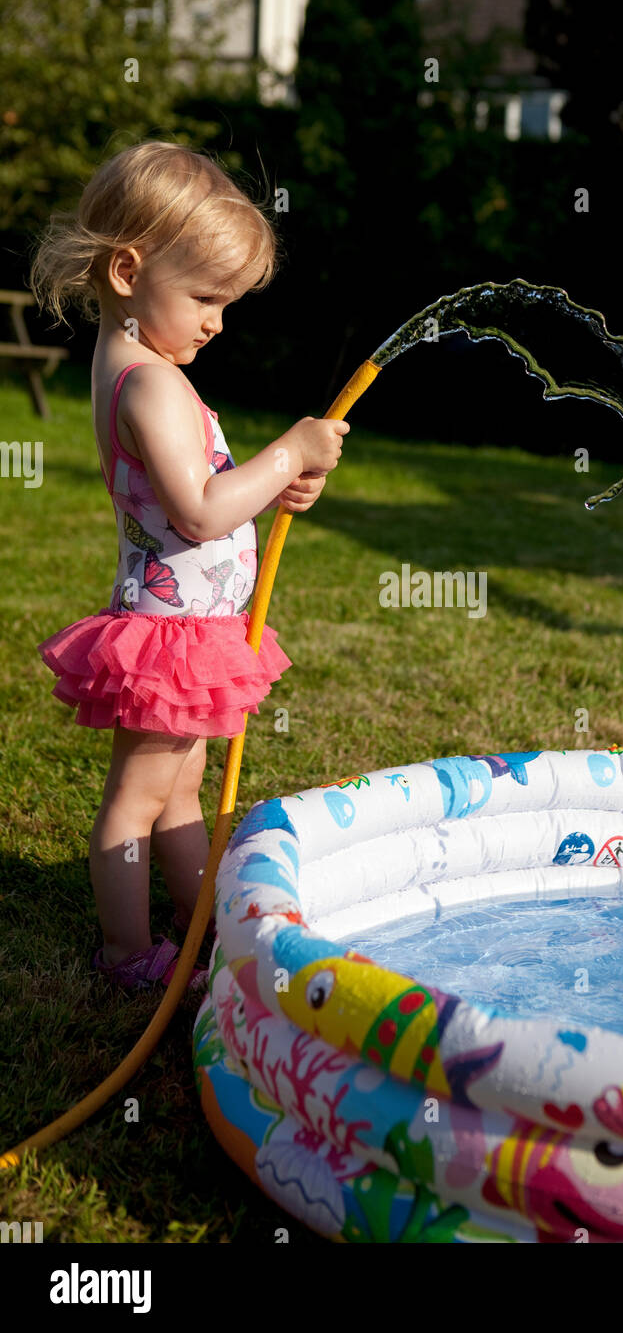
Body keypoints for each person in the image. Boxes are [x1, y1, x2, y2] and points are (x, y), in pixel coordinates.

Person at [31, 140, 349, 990]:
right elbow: (198, 509)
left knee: (179, 795)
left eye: (227, 302)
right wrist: (287, 454)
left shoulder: (130, 363)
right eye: (206, 297)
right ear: (130, 270)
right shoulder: (151, 385)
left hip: (187, 629)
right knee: (137, 801)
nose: (217, 321)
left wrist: (275, 489)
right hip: (170, 637)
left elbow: (210, 494)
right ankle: (128, 957)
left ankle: (195, 921)